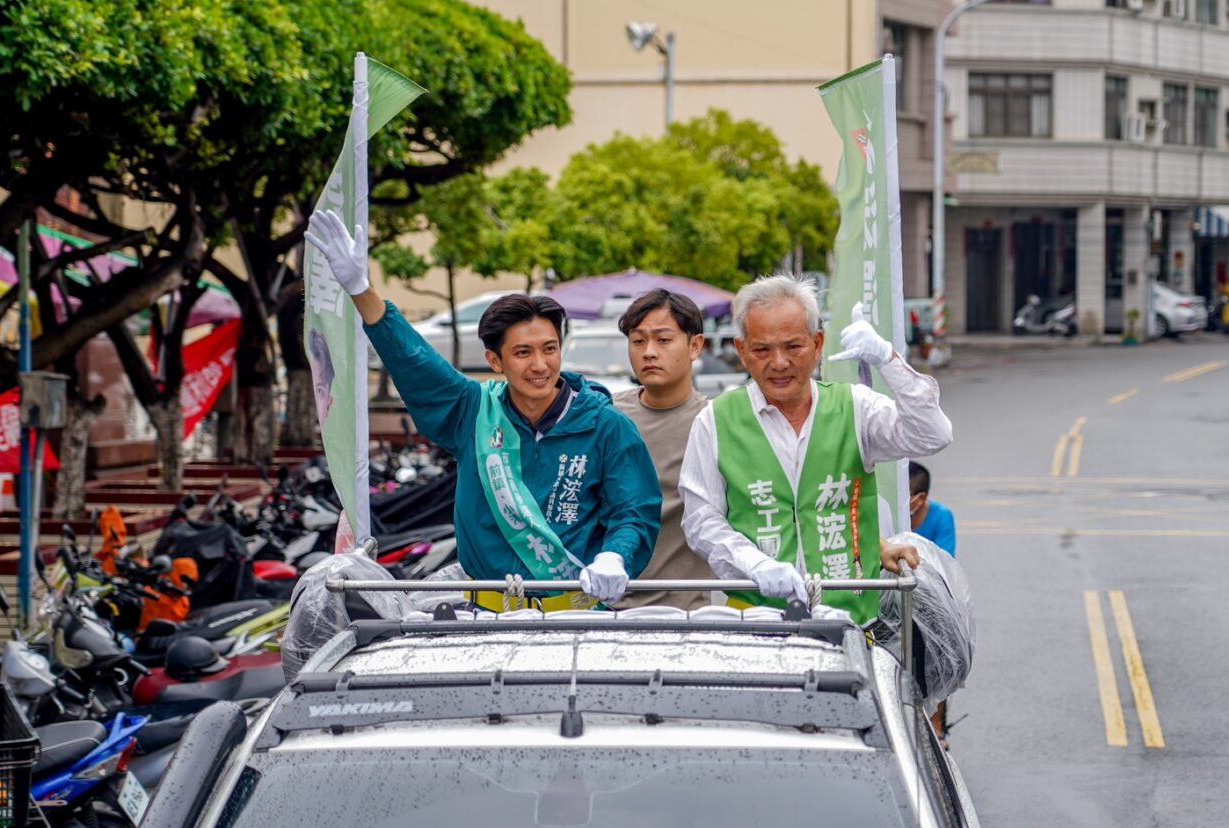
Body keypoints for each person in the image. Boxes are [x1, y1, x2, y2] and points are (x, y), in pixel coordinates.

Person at [304, 210, 660, 608]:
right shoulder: (473, 412)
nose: (540, 365)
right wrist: (361, 290)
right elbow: (416, 361)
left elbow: (634, 511)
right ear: (495, 360)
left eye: (549, 349)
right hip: (483, 618)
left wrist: (616, 555)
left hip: (574, 619)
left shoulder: (607, 426)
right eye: (523, 353)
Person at [680, 274, 953, 624]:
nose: (778, 363)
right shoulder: (715, 421)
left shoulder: (854, 408)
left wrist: (888, 360)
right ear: (742, 351)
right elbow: (701, 521)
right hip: (754, 622)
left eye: (793, 346)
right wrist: (753, 563)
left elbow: (933, 434)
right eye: (762, 349)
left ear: (818, 343)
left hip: (850, 621)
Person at [611, 290, 717, 610]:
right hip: (607, 610)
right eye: (638, 341)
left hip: (688, 614)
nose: (649, 352)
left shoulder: (716, 423)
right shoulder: (607, 418)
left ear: (695, 345)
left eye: (663, 340)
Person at [908, 461, 956, 557]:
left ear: (920, 498)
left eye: (903, 495)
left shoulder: (942, 516)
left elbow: (944, 561)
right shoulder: (885, 513)